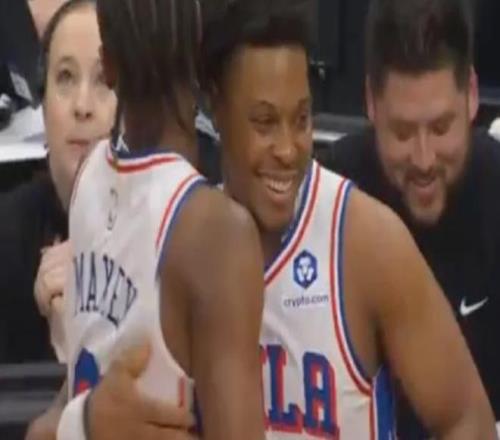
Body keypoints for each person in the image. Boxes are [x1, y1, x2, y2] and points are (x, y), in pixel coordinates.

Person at [28, 0, 496, 438]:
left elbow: (466, 420)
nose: (288, 149)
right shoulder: (176, 230)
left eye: (303, 119)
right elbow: (46, 427)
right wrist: (84, 421)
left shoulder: (363, 240)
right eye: (265, 123)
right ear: (215, 107)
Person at [57, 0, 265, 439]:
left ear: (108, 66)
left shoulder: (86, 178)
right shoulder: (215, 231)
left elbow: (55, 419)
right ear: (204, 54)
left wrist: (82, 422)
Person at [326, 0, 500, 436]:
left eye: (440, 128)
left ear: (472, 93)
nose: (423, 160)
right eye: (402, 132)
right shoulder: (327, 199)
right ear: (371, 101)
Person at [0, 0, 116, 364]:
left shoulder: (169, 233)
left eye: (104, 80)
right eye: (65, 77)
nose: (82, 105)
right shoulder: (7, 234)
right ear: (43, 100)